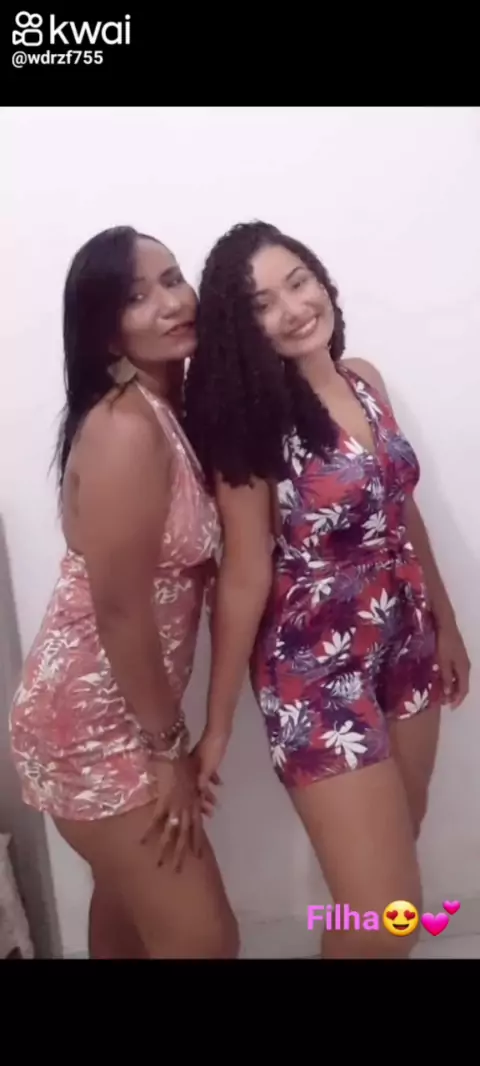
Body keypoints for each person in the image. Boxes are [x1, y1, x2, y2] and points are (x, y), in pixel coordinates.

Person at [184, 220, 470, 959]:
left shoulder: (364, 379)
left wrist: (445, 622)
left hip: (405, 637)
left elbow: (400, 510)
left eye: (298, 282)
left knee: (392, 869)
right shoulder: (250, 424)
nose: (293, 308)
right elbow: (244, 575)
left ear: (321, 281)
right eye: (263, 304)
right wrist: (217, 725)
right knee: (388, 909)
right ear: (240, 327)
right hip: (315, 667)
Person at [10, 226, 239, 960]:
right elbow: (118, 609)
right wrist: (168, 753)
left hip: (128, 713)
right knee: (204, 942)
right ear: (107, 330)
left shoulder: (166, 410)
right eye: (138, 296)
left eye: (172, 279)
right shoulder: (124, 428)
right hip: (95, 727)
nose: (171, 303)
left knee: (127, 907)